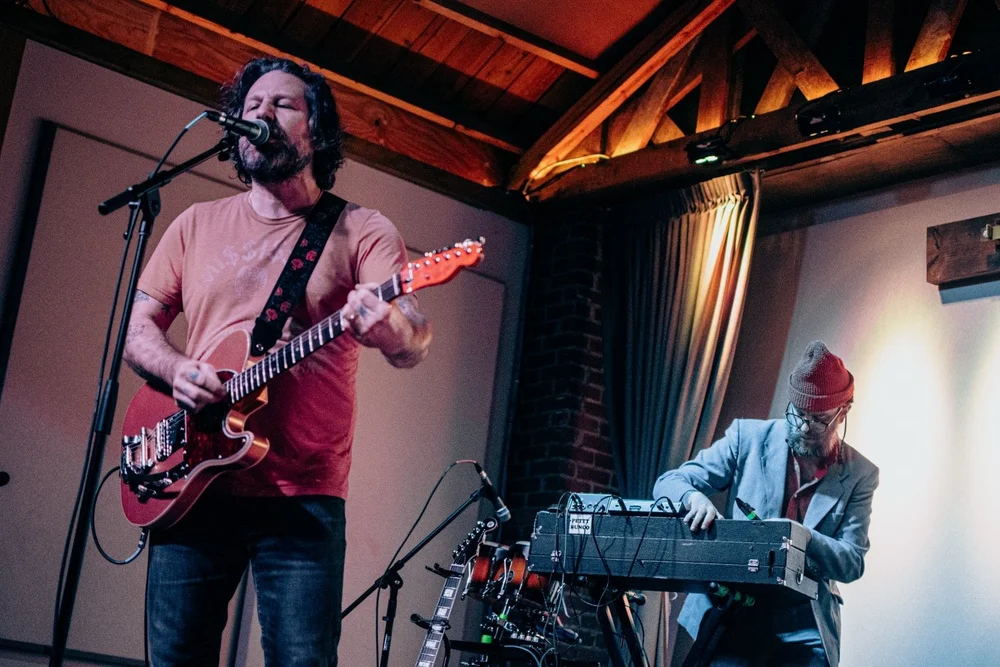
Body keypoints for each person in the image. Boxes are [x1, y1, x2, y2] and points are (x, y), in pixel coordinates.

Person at [124, 56, 431, 666]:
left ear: (317, 131)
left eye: (283, 104)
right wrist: (178, 370)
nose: (262, 113)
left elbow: (414, 337)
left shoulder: (360, 230)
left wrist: (389, 326)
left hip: (302, 493)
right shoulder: (195, 224)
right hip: (191, 481)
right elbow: (137, 332)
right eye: (252, 106)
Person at [653, 341, 878, 667]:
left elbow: (851, 562)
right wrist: (693, 497)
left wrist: (799, 536)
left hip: (804, 621)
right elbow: (668, 483)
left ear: (843, 412)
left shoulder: (861, 474)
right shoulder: (746, 437)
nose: (803, 427)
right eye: (797, 414)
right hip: (737, 606)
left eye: (818, 420)